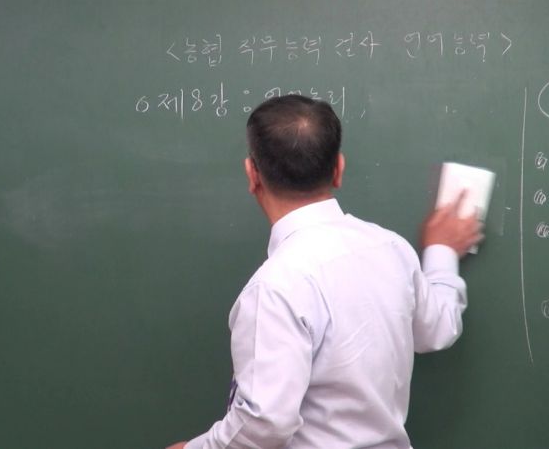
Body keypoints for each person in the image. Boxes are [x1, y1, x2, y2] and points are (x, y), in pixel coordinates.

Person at [167, 95, 483, 449]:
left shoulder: (275, 287)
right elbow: (437, 329)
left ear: (252, 175)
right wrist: (441, 251)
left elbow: (266, 422)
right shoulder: (391, 249)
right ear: (338, 169)